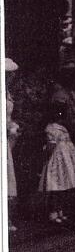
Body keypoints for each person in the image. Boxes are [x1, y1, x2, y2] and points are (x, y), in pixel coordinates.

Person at [6, 58, 19, 231]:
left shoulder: (7, 93)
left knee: (7, 176)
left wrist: (13, 126)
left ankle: (7, 218)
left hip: (7, 138)